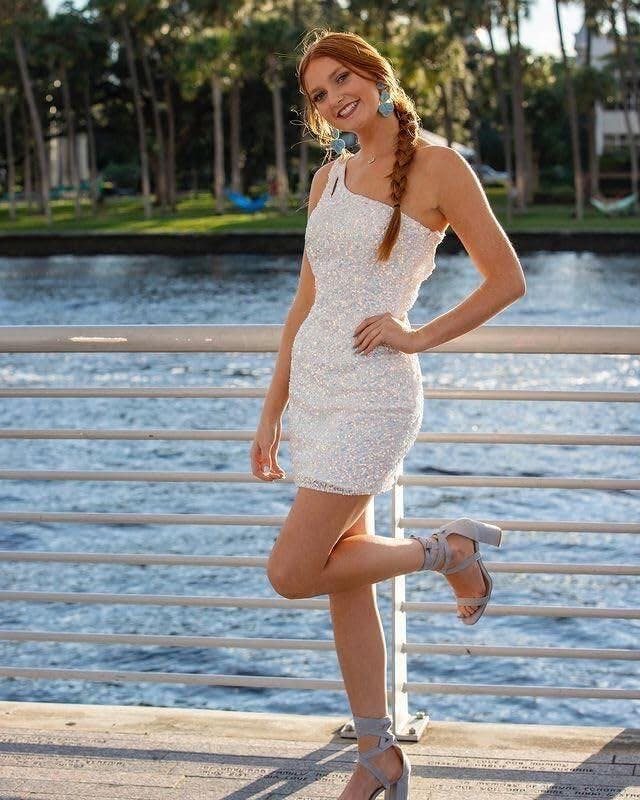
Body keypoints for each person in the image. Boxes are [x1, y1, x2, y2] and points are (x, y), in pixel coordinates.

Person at [249, 29, 526, 800]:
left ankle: (449, 551)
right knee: (344, 578)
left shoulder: (439, 166)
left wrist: (418, 336)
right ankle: (378, 755)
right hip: (316, 394)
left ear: (375, 75)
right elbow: (304, 304)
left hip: (374, 396)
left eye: (343, 78)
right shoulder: (328, 179)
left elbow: (506, 279)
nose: (334, 98)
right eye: (318, 93)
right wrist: (272, 407)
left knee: (292, 571)